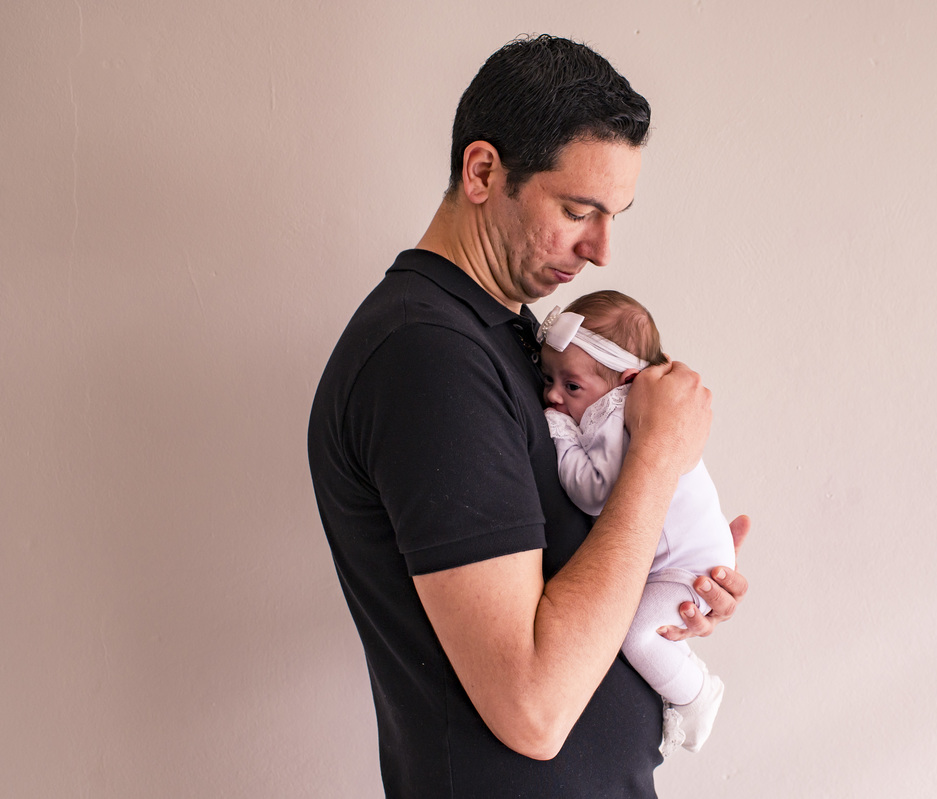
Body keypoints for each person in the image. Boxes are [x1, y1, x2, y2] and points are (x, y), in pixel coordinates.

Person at [307, 35, 748, 797]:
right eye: (579, 210)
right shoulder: (427, 356)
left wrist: (668, 571)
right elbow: (533, 707)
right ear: (483, 172)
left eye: (614, 215)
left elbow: (565, 580)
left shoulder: (511, 340)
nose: (602, 248)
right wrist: (654, 459)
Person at [538, 290, 735, 757]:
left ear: (623, 380)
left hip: (688, 567)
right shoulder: (617, 409)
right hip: (691, 559)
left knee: (638, 633)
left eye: (571, 387)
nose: (552, 395)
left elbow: (593, 492)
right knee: (648, 628)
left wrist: (560, 433)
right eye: (549, 380)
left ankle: (695, 695)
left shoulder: (615, 417)